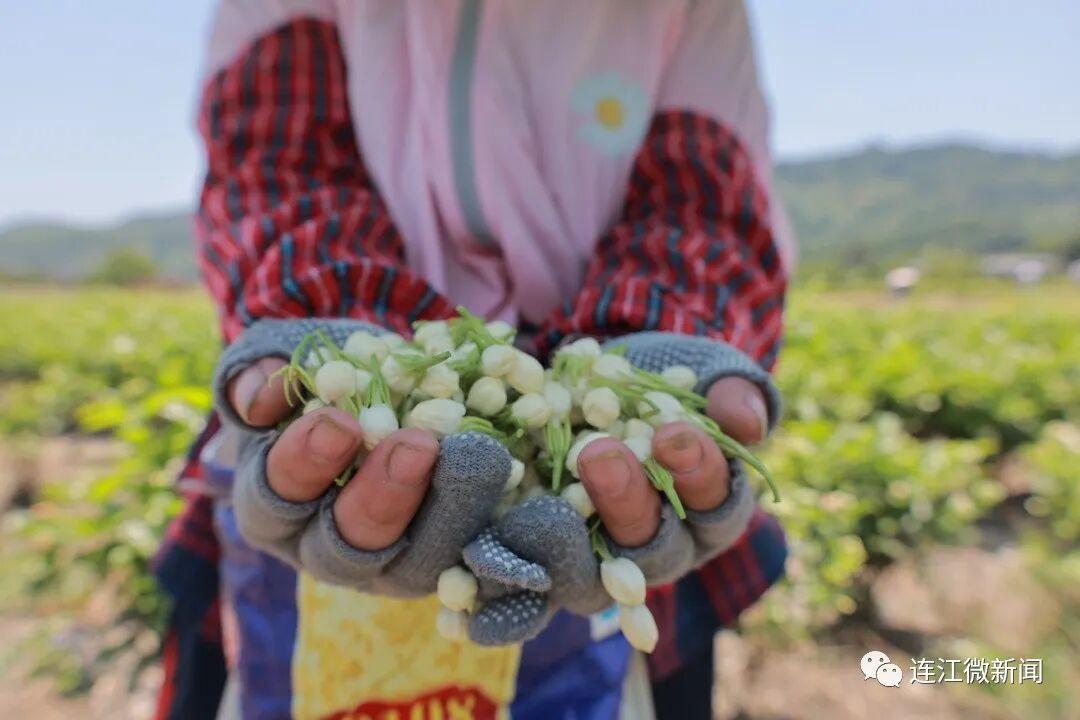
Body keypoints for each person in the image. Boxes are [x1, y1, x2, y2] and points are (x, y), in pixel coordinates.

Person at [154, 1, 794, 718]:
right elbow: (276, 160)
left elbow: (702, 201)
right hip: (356, 379)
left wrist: (662, 327)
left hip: (588, 384)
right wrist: (322, 314)